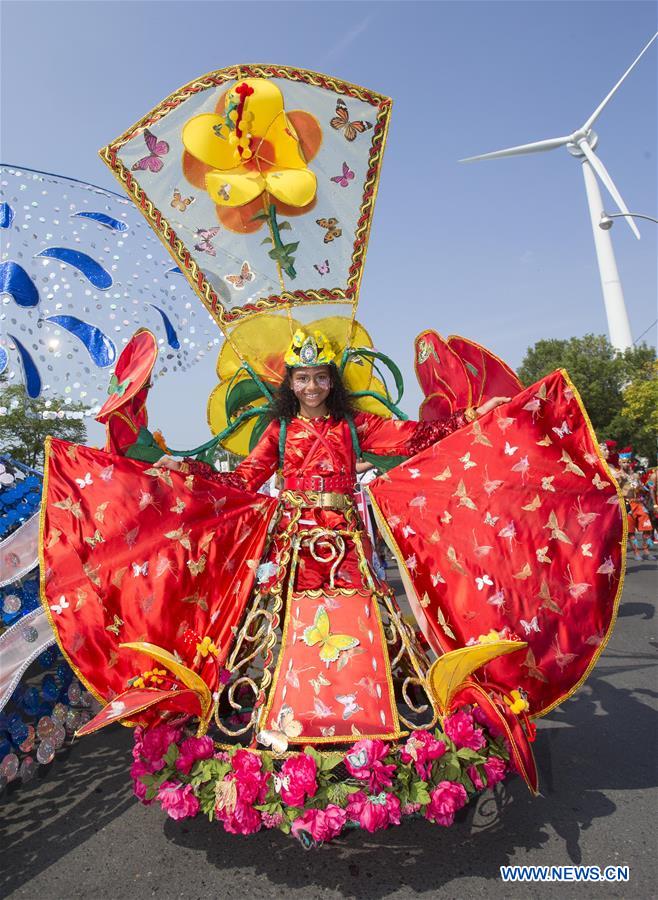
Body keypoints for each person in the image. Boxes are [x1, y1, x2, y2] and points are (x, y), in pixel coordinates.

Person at [157, 330, 509, 743]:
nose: (311, 387)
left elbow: (412, 437)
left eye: (320, 377)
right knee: (292, 623)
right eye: (303, 377)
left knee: (357, 617)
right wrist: (189, 469)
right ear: (290, 382)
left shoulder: (354, 425)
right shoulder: (280, 431)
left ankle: (364, 709)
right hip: (296, 546)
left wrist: (473, 417)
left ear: (332, 381)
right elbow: (243, 479)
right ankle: (293, 713)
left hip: (347, 544)